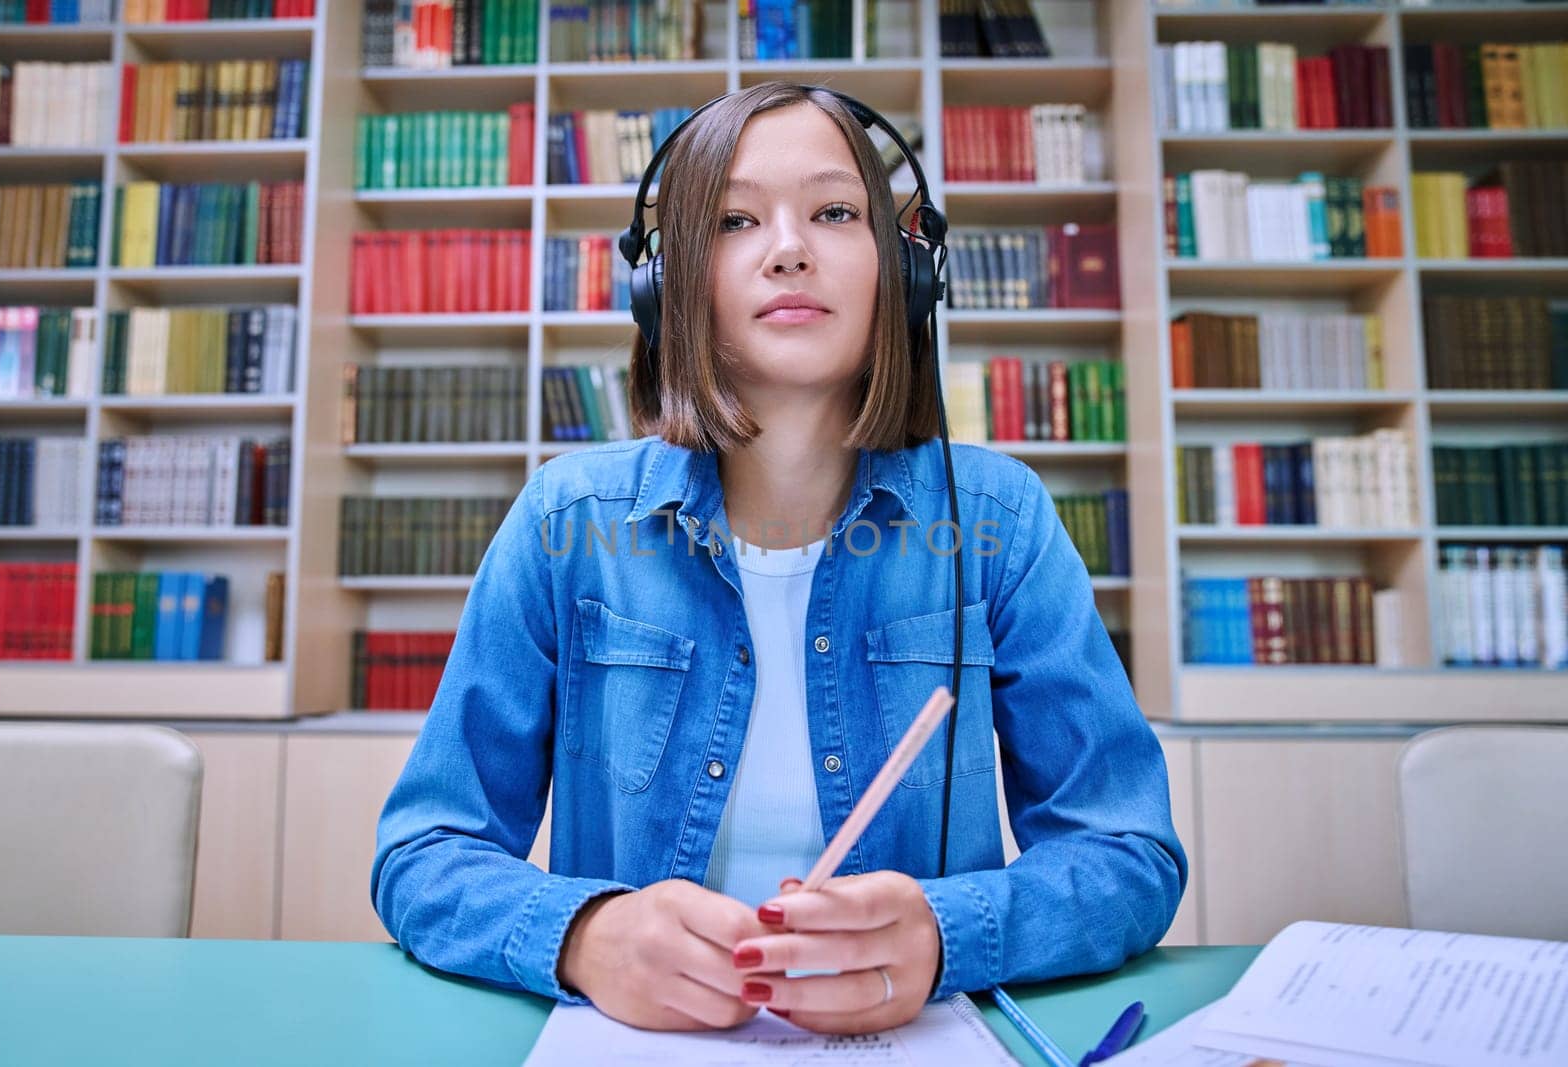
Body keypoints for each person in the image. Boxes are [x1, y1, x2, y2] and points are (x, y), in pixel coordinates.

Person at [371, 81, 1186, 1037]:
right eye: (735, 219)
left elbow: (1127, 849)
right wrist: (584, 935)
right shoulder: (567, 519)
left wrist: (945, 934)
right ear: (665, 284)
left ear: (906, 271)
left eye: (836, 211)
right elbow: (425, 850)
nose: (790, 247)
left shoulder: (999, 521)